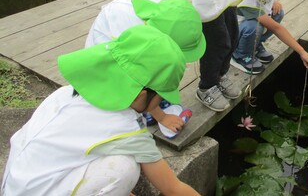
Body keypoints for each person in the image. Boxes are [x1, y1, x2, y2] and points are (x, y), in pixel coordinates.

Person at [1, 25, 200, 196]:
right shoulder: (127, 131)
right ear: (141, 96)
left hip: (15, 185)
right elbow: (173, 189)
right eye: (161, 95)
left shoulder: (65, 93)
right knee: (125, 169)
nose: (162, 100)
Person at [85, 0, 206, 135]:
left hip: (129, 49)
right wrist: (162, 116)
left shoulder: (170, 10)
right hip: (106, 61)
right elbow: (134, 78)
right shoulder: (130, 32)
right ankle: (147, 110)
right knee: (131, 103)